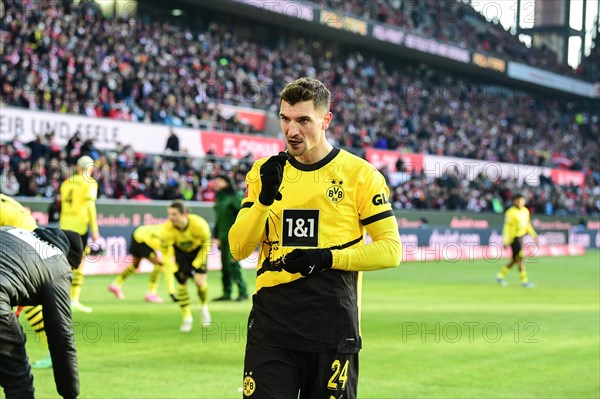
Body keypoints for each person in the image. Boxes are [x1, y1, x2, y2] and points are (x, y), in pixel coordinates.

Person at [229, 77, 402, 398]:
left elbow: (391, 251)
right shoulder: (264, 171)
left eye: (303, 121)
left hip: (332, 325)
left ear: (325, 120)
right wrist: (265, 198)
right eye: (285, 119)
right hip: (272, 325)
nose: (292, 131)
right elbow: (239, 248)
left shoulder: (360, 175)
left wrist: (327, 258)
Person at [0, 225, 84, 399]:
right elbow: (61, 336)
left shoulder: (11, 231)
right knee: (18, 380)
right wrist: (70, 394)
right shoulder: (58, 263)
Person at [0, 194, 53, 369]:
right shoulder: (4, 200)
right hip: (33, 247)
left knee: (27, 302)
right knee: (30, 303)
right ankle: (54, 351)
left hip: (24, 249)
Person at [161, 201, 212, 332]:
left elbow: (207, 243)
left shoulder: (199, 224)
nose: (171, 217)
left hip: (198, 251)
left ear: (184, 214)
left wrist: (197, 263)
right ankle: (187, 318)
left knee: (200, 283)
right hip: (181, 253)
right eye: (169, 214)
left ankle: (203, 307)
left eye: (174, 214)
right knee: (182, 284)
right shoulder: (167, 229)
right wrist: (172, 267)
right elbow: (165, 252)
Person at [59, 155, 101, 313]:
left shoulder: (66, 183)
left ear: (77, 167)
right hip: (79, 228)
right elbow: (90, 206)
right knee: (80, 263)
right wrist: (95, 229)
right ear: (90, 168)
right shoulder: (89, 182)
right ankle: (74, 299)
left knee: (63, 263)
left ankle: (59, 297)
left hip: (64, 225)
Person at [108, 223, 176, 303]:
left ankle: (115, 284)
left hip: (138, 234)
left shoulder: (168, 234)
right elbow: (167, 261)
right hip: (142, 240)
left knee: (135, 265)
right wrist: (171, 292)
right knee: (159, 264)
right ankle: (151, 293)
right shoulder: (165, 236)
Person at [212, 175, 249, 302]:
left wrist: (241, 235)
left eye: (219, 180)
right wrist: (216, 236)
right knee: (225, 266)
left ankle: (243, 291)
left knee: (234, 264)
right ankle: (226, 293)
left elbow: (243, 216)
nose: (215, 183)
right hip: (222, 238)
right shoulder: (219, 198)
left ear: (227, 182)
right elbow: (218, 219)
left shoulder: (235, 197)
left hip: (234, 237)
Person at [495, 194, 538, 288]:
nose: (520, 203)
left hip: (521, 237)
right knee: (520, 259)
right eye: (518, 201)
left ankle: (500, 276)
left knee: (515, 259)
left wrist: (534, 235)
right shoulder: (510, 212)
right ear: (514, 201)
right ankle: (524, 281)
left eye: (521, 201)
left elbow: (527, 225)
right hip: (514, 239)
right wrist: (505, 241)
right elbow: (506, 227)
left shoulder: (526, 211)